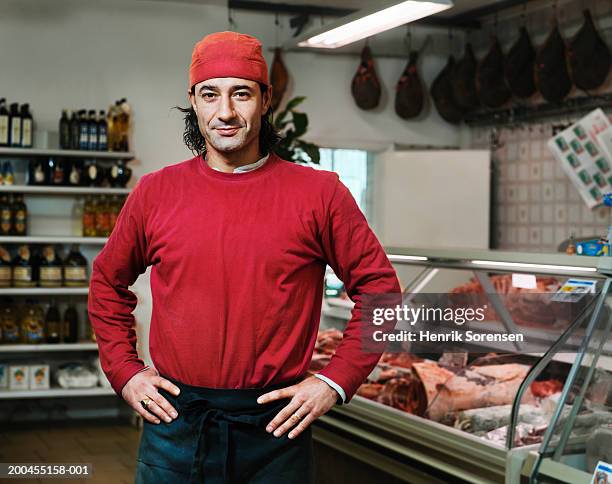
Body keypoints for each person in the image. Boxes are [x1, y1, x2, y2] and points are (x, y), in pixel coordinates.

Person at [88, 31, 400, 484]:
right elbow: (107, 284)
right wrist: (125, 371)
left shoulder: (320, 194)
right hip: (175, 421)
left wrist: (334, 381)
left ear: (265, 99)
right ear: (193, 101)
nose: (226, 112)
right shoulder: (156, 192)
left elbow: (382, 292)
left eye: (242, 94)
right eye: (210, 94)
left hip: (276, 426)